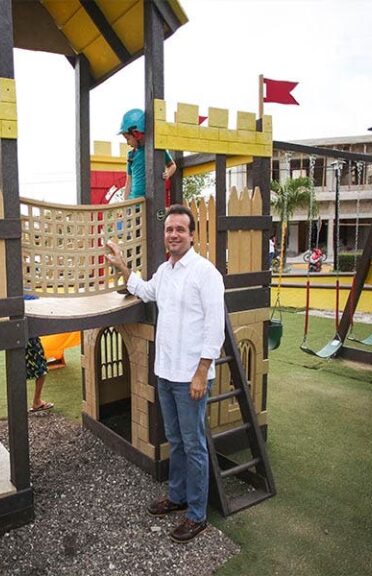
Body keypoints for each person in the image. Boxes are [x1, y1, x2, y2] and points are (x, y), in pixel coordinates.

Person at [105, 204, 225, 543]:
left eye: (180, 229)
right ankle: (177, 496)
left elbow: (215, 328)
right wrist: (123, 267)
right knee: (175, 439)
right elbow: (145, 291)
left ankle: (197, 515)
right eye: (169, 229)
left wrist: (202, 372)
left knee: (193, 444)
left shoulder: (206, 273)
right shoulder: (165, 271)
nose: (173, 234)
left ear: (192, 235)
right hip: (167, 373)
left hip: (191, 377)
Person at [118, 108, 176, 200]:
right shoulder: (131, 155)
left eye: (128, 139)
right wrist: (125, 201)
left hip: (150, 200)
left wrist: (168, 173)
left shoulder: (157, 151)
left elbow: (172, 166)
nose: (127, 143)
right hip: (133, 201)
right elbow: (129, 181)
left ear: (137, 134)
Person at [23, 294, 53, 413]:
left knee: (19, 371)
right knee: (42, 370)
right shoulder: (30, 297)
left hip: (20, 335)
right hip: (31, 338)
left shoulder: (14, 297)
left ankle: (23, 403)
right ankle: (37, 401)